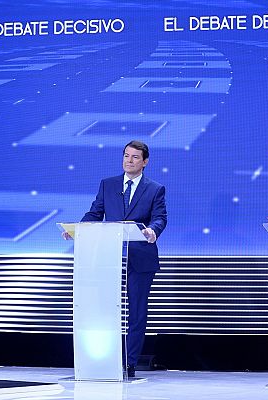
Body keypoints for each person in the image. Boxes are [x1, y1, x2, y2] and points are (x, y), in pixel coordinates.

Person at [80, 140, 167, 378]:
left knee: (136, 311)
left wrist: (152, 231)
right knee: (104, 309)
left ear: (145, 162)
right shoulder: (108, 185)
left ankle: (129, 363)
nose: (129, 160)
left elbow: (160, 218)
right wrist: (78, 229)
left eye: (135, 157)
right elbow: (95, 213)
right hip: (109, 257)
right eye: (126, 156)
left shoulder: (155, 188)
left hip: (140, 258)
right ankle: (103, 359)